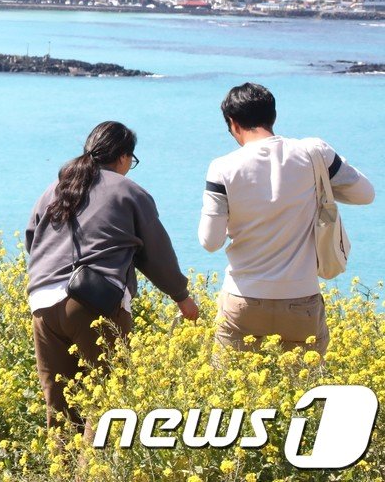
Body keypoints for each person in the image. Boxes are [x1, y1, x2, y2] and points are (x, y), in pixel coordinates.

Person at [25, 121, 198, 433]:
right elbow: (156, 254)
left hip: (42, 305)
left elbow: (31, 239)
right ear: (122, 156)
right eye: (131, 159)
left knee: (61, 409)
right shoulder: (128, 191)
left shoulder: (54, 188)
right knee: (105, 405)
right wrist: (182, 296)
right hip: (93, 303)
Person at [200, 82, 374, 354]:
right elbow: (365, 194)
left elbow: (210, 242)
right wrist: (318, 184)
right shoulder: (314, 152)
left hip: (243, 298)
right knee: (302, 392)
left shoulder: (222, 168)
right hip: (301, 299)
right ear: (273, 116)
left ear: (233, 124)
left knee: (231, 390)